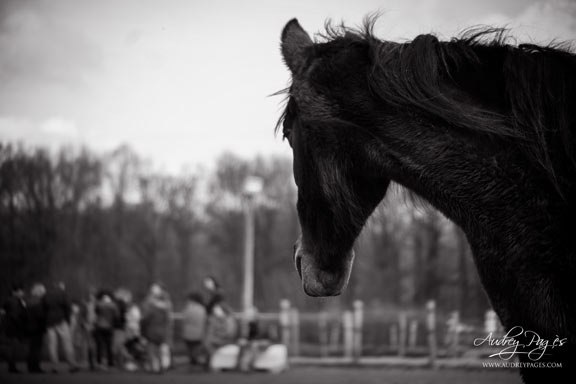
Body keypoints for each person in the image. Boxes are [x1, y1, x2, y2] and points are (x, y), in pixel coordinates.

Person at [45, 281, 78, 373]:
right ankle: (72, 364)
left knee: (52, 345)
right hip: (61, 321)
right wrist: (68, 319)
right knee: (67, 343)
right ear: (61, 286)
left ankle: (54, 366)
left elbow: (43, 308)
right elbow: (68, 307)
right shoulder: (63, 294)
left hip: (49, 322)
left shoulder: (47, 295)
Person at [140, 283, 172, 373]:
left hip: (152, 331)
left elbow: (144, 320)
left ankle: (155, 367)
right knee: (160, 350)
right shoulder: (166, 306)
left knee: (152, 350)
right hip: (162, 332)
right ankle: (161, 366)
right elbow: (168, 321)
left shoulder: (150, 306)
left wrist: (143, 332)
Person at [2, 283, 27, 373]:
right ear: (15, 292)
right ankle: (12, 367)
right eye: (21, 291)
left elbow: (3, 311)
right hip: (14, 327)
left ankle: (12, 366)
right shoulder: (15, 301)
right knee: (13, 347)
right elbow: (15, 315)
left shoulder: (13, 300)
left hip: (10, 326)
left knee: (12, 347)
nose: (22, 292)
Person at [181, 292, 207, 368]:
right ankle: (195, 362)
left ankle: (193, 363)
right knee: (196, 349)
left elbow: (185, 319)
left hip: (188, 332)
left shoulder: (188, 308)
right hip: (199, 332)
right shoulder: (202, 308)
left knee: (190, 349)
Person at [93, 292, 119, 369]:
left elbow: (96, 312)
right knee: (109, 345)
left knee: (99, 345)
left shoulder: (99, 304)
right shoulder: (113, 306)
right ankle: (110, 363)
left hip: (99, 326)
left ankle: (99, 362)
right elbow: (116, 316)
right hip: (109, 327)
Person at [26, 283, 48, 373]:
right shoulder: (38, 301)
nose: (44, 293)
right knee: (36, 348)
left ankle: (31, 366)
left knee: (32, 348)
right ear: (39, 292)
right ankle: (35, 367)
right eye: (43, 291)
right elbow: (40, 315)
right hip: (37, 327)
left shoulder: (30, 300)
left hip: (31, 327)